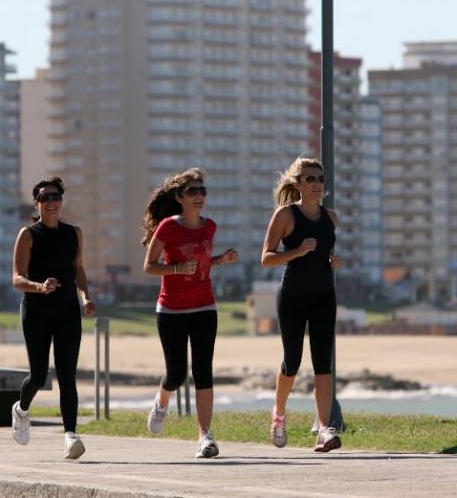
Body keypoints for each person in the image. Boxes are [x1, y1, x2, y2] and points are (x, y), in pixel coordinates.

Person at [141, 168, 239, 459]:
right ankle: (161, 402)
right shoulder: (168, 227)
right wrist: (175, 269)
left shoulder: (210, 227)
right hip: (171, 308)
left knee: (203, 372)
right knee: (176, 373)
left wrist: (221, 259)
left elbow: (202, 261)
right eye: (193, 192)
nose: (199, 196)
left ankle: (205, 436)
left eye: (203, 191)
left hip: (205, 306)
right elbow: (149, 266)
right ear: (180, 198)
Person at [261, 157, 343, 452]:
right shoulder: (285, 216)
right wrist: (295, 251)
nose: (317, 184)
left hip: (324, 295)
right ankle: (279, 415)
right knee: (292, 361)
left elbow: (324, 254)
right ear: (297, 184)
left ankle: (324, 429)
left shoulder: (330, 217)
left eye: (320, 179)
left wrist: (333, 262)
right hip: (293, 295)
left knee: (324, 364)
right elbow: (266, 257)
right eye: (310, 179)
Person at [10, 177, 96, 459]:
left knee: (67, 376)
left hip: (68, 311)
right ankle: (21, 410)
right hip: (36, 311)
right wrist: (39, 287)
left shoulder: (75, 234)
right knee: (38, 375)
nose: (51, 202)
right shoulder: (28, 234)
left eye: (55, 196)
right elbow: (17, 278)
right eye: (45, 197)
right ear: (37, 203)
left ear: (61, 200)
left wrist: (85, 297)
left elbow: (79, 269)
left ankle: (71, 435)